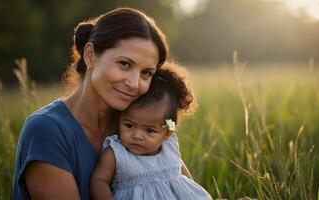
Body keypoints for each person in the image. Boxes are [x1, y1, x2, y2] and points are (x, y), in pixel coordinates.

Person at [13, 7, 172, 199]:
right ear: (90, 55)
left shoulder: (139, 126)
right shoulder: (46, 129)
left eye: (146, 73)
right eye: (125, 64)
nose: (134, 83)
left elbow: (179, 185)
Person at [89, 65, 212, 200]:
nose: (137, 135)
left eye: (149, 130)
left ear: (166, 133)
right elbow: (99, 181)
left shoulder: (169, 147)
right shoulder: (116, 153)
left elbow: (186, 179)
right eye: (129, 125)